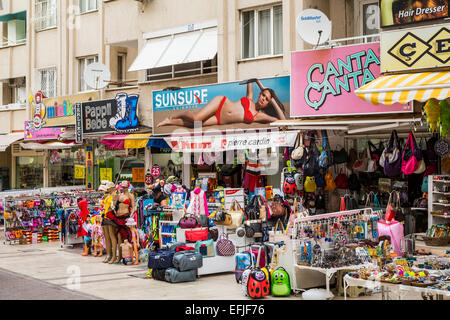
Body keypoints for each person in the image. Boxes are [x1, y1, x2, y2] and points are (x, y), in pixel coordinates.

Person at [157, 78, 286, 128]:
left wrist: (274, 101)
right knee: (196, 118)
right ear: (260, 94)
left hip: (220, 119)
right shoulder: (250, 98)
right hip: (221, 103)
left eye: (267, 99)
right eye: (263, 95)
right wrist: (258, 83)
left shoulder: (260, 116)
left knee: (195, 125)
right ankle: (175, 116)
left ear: (268, 103)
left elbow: (282, 120)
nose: (263, 98)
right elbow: (251, 79)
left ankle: (169, 121)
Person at [112, 180, 135, 263]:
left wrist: (130, 217)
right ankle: (119, 256)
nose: (124, 188)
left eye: (125, 187)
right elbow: (115, 205)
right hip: (118, 216)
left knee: (126, 236)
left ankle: (127, 256)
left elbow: (133, 207)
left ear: (128, 187)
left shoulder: (130, 195)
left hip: (125, 216)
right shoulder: (119, 195)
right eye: (123, 187)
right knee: (118, 236)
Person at [99, 181, 119, 264]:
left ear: (112, 187)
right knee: (106, 237)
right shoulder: (107, 195)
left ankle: (114, 256)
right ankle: (108, 254)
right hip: (105, 216)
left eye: (108, 187)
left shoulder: (115, 195)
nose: (107, 188)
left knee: (112, 237)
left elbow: (114, 207)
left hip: (111, 217)